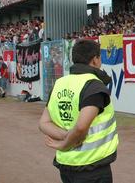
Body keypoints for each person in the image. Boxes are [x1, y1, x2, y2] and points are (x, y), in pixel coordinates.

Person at [39, 39, 117, 183]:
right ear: (95, 60)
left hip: (67, 165)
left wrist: (65, 135)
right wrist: (66, 143)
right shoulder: (94, 86)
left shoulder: (60, 84)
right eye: (100, 57)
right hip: (92, 165)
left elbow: (43, 123)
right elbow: (81, 127)